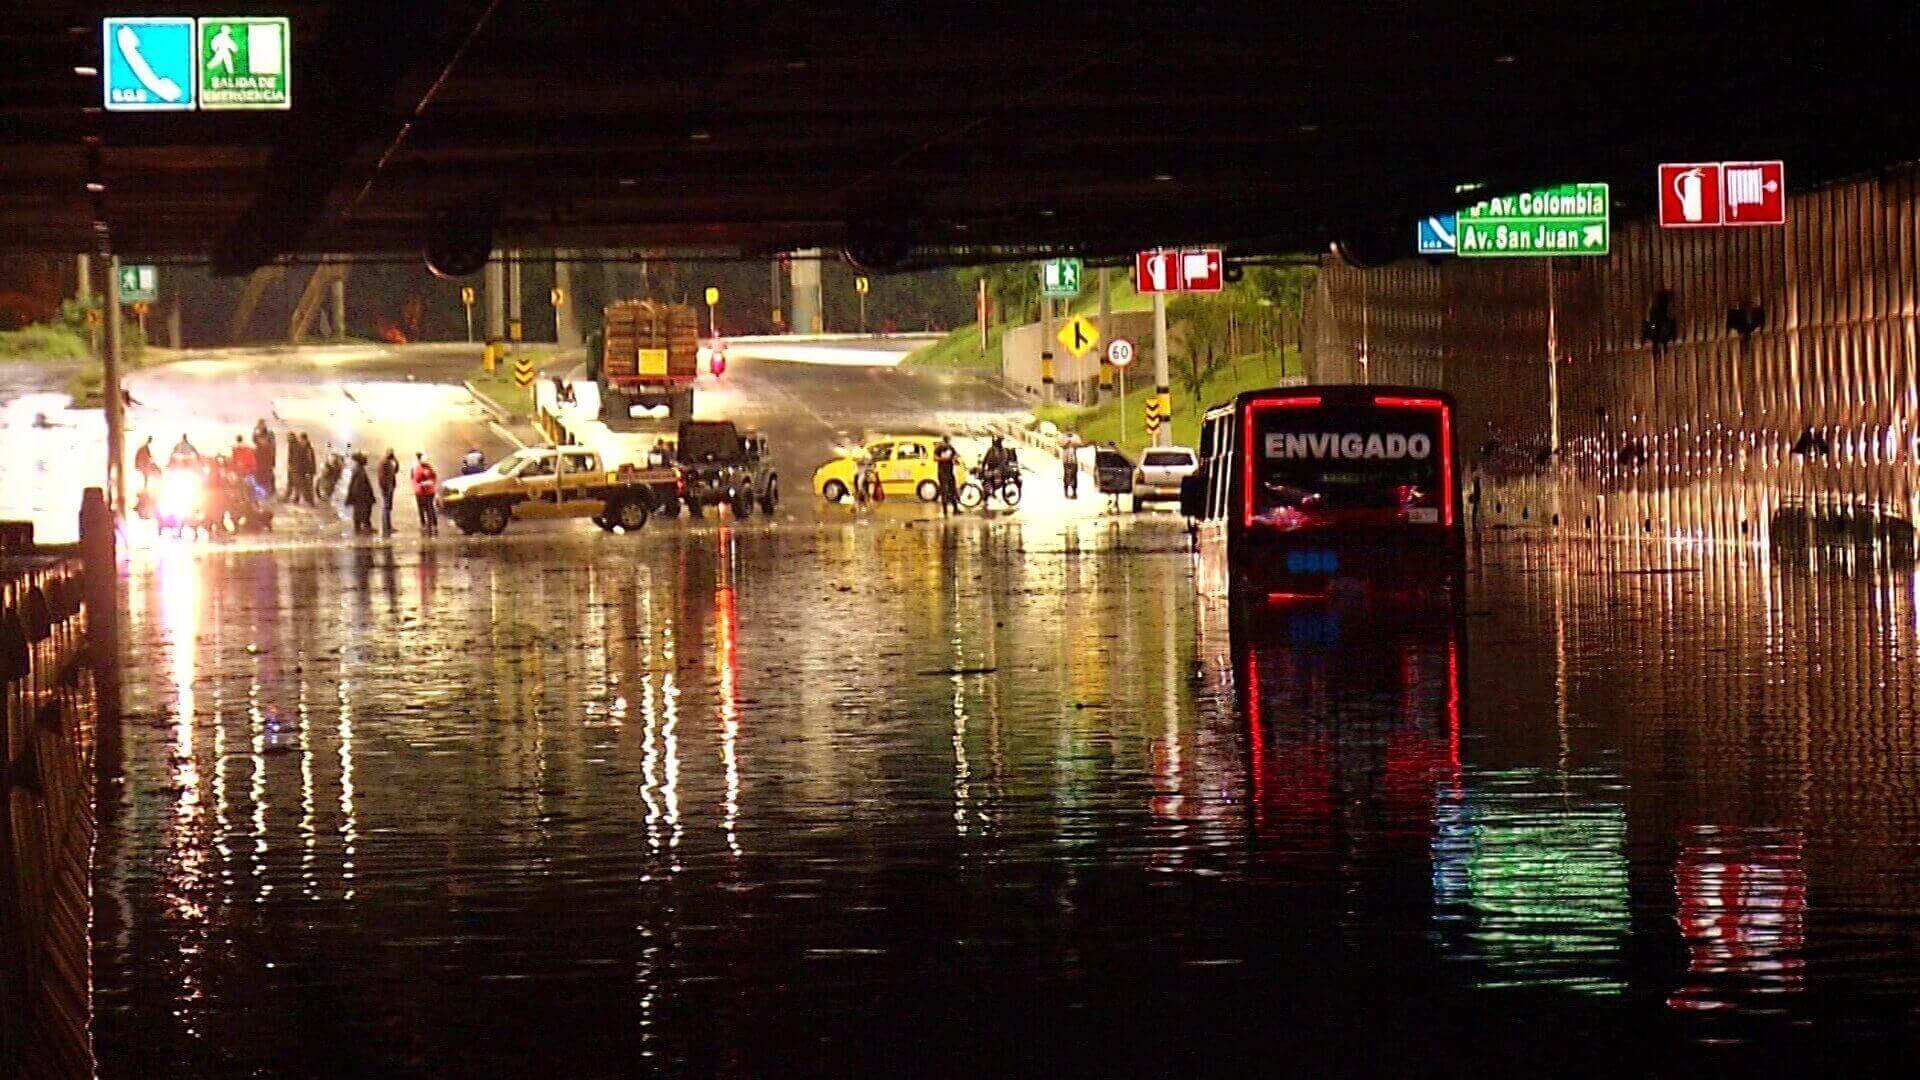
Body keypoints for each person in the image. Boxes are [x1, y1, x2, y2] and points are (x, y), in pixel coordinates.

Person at [344, 453, 376, 535]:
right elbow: (359, 486)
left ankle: (360, 528)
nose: (366, 460)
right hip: (361, 497)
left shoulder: (359, 469)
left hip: (360, 497)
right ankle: (362, 529)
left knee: (360, 513)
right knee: (362, 512)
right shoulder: (359, 470)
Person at [411, 453, 440, 536]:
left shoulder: (425, 467)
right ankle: (425, 523)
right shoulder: (418, 468)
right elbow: (416, 480)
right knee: (423, 508)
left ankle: (431, 523)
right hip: (421, 491)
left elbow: (434, 476)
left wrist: (431, 482)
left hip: (427, 491)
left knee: (429, 508)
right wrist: (422, 484)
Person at [934, 436, 961, 516]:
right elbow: (935, 458)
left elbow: (956, 455)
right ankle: (945, 510)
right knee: (944, 491)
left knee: (953, 490)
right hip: (942, 472)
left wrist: (954, 459)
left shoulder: (950, 448)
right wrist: (944, 459)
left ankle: (955, 509)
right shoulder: (939, 447)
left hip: (949, 472)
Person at [377, 449, 400, 536]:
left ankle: (388, 526)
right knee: (386, 507)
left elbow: (395, 471)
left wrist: (396, 461)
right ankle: (386, 527)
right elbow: (381, 477)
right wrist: (385, 488)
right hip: (386, 489)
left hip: (390, 488)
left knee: (388, 507)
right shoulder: (383, 462)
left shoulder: (389, 462)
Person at [253, 420, 277, 498]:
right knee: (260, 474)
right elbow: (254, 441)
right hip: (259, 458)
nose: (260, 426)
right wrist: (254, 430)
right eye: (259, 425)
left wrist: (273, 459)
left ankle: (271, 491)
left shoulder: (269, 434)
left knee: (268, 474)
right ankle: (261, 490)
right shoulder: (258, 433)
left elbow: (273, 446)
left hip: (267, 457)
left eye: (261, 425)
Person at [1060, 433, 1080, 499]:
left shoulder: (1076, 437)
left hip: (1074, 460)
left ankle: (1074, 492)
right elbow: (1061, 445)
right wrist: (1067, 444)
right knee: (1066, 475)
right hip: (1066, 460)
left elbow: (1080, 445)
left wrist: (1075, 445)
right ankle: (1066, 492)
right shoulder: (1063, 437)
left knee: (1074, 476)